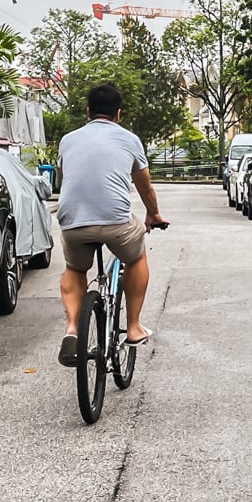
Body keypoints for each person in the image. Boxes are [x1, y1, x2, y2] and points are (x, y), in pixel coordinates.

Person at [56, 81, 168, 365]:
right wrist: (153, 215)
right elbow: (145, 187)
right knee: (137, 256)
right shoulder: (129, 139)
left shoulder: (68, 140)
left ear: (88, 111)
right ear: (118, 114)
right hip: (116, 221)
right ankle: (133, 327)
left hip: (73, 221)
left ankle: (72, 330)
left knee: (74, 269)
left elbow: (67, 176)